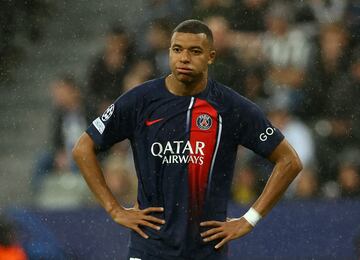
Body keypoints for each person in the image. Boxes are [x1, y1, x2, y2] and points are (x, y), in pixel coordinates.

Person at [73, 19, 302, 260]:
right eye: (177, 49)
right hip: (150, 250)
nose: (184, 58)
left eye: (194, 51)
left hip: (205, 251)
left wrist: (249, 219)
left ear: (211, 57)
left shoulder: (230, 107)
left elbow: (289, 161)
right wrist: (114, 210)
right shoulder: (140, 101)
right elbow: (83, 148)